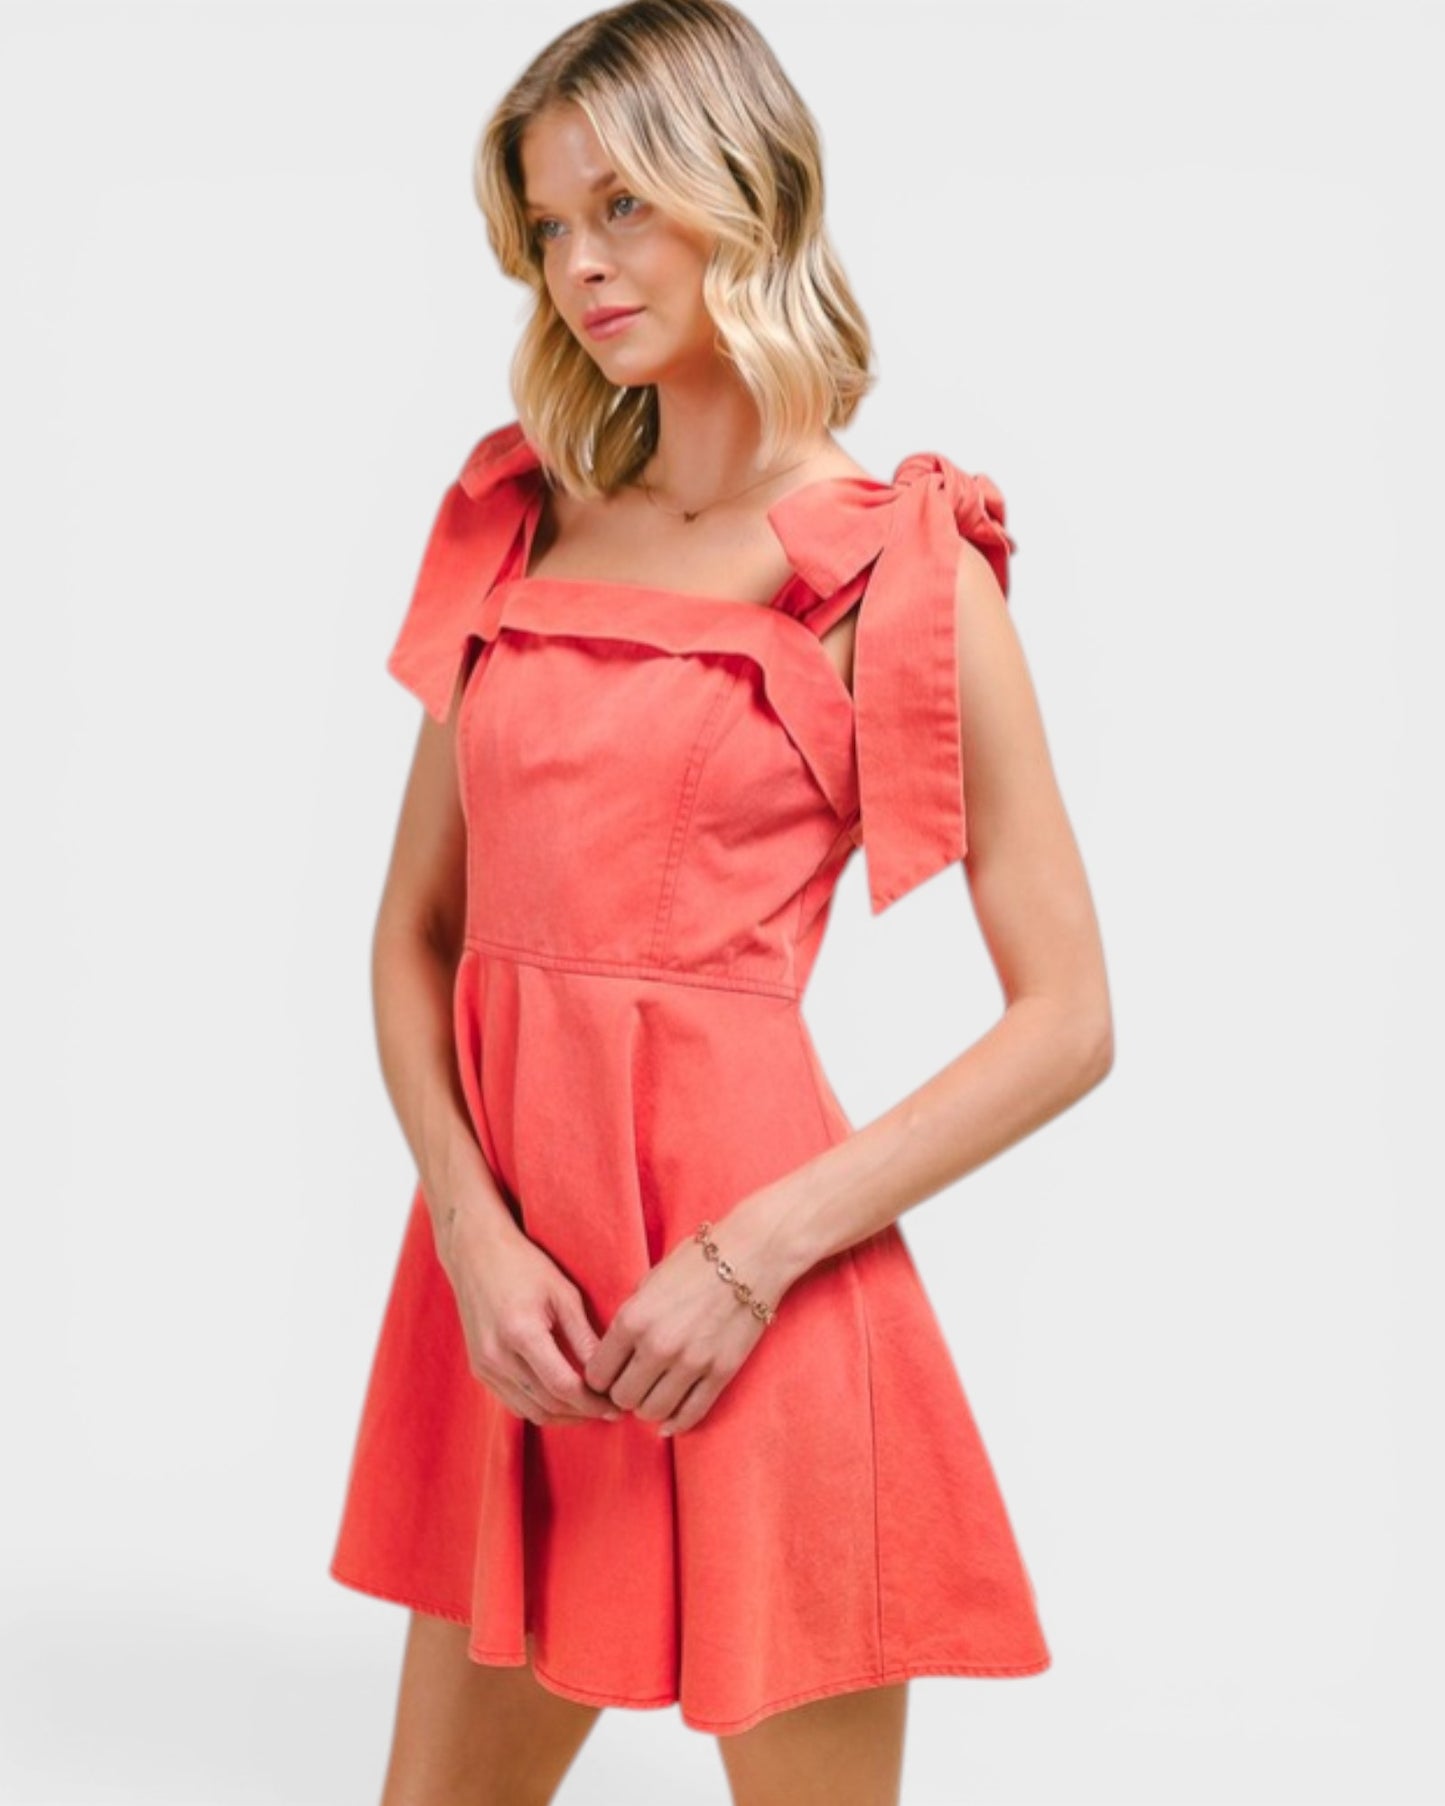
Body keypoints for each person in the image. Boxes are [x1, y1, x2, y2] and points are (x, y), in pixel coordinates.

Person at [328, 1, 1113, 1800]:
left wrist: (748, 1260)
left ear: (739, 190)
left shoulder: (895, 566)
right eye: (546, 226)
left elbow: (1068, 1016)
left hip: (753, 1313)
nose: (581, 264)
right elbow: (413, 935)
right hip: (517, 1308)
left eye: (622, 207)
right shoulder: (512, 524)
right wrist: (468, 1223)